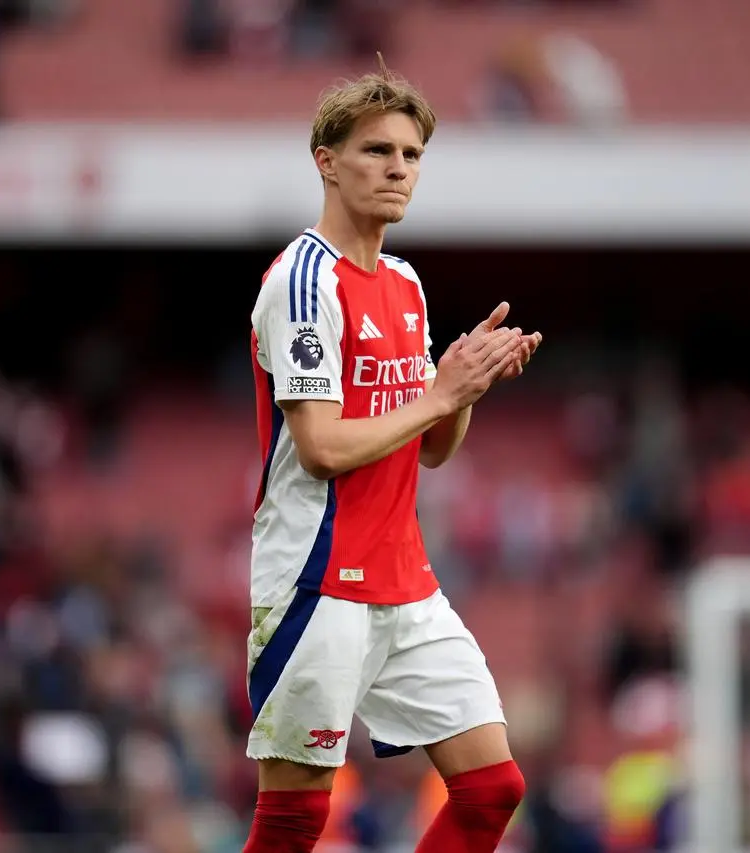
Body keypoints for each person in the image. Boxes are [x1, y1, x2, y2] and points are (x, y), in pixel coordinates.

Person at [244, 57, 543, 853]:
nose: (399, 170)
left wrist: (464, 386)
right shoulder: (302, 282)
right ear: (327, 162)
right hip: (318, 576)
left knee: (491, 789)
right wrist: (439, 396)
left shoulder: (406, 284)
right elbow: (319, 447)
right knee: (296, 818)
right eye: (378, 151)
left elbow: (434, 448)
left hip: (404, 579)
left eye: (412, 156)